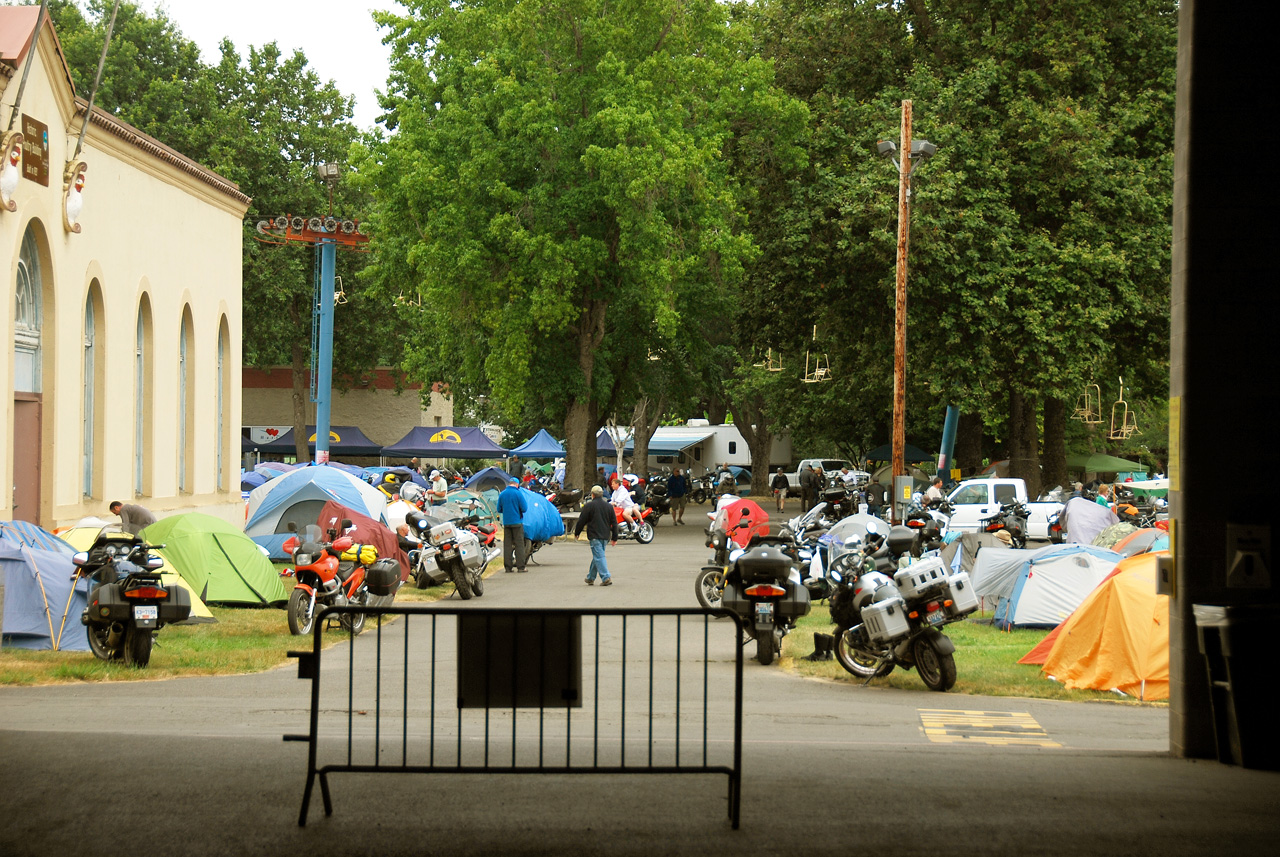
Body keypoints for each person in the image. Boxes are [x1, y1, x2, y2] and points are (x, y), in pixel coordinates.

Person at [574, 485, 618, 585]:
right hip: (605, 535)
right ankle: (590, 577)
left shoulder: (589, 506)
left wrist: (577, 532)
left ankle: (606, 577)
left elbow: (582, 520)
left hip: (594, 535)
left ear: (592, 495)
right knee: (598, 555)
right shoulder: (608, 506)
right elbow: (614, 522)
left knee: (599, 556)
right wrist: (615, 537)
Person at [497, 481, 530, 573]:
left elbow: (499, 508)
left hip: (507, 523)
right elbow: (524, 508)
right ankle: (521, 567)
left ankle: (508, 567)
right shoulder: (518, 494)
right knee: (519, 544)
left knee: (507, 545)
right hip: (517, 522)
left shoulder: (502, 494)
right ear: (517, 484)